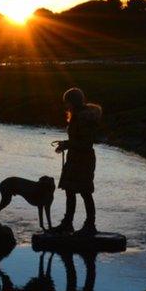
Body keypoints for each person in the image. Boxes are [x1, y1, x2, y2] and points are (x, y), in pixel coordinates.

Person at [52, 88, 103, 236]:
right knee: (70, 190)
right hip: (75, 158)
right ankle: (68, 223)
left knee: (85, 192)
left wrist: (67, 144)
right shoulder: (78, 116)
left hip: (83, 160)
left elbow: (86, 144)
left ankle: (90, 225)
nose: (65, 106)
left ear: (72, 101)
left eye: (67, 102)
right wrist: (66, 144)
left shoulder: (84, 118)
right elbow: (79, 140)